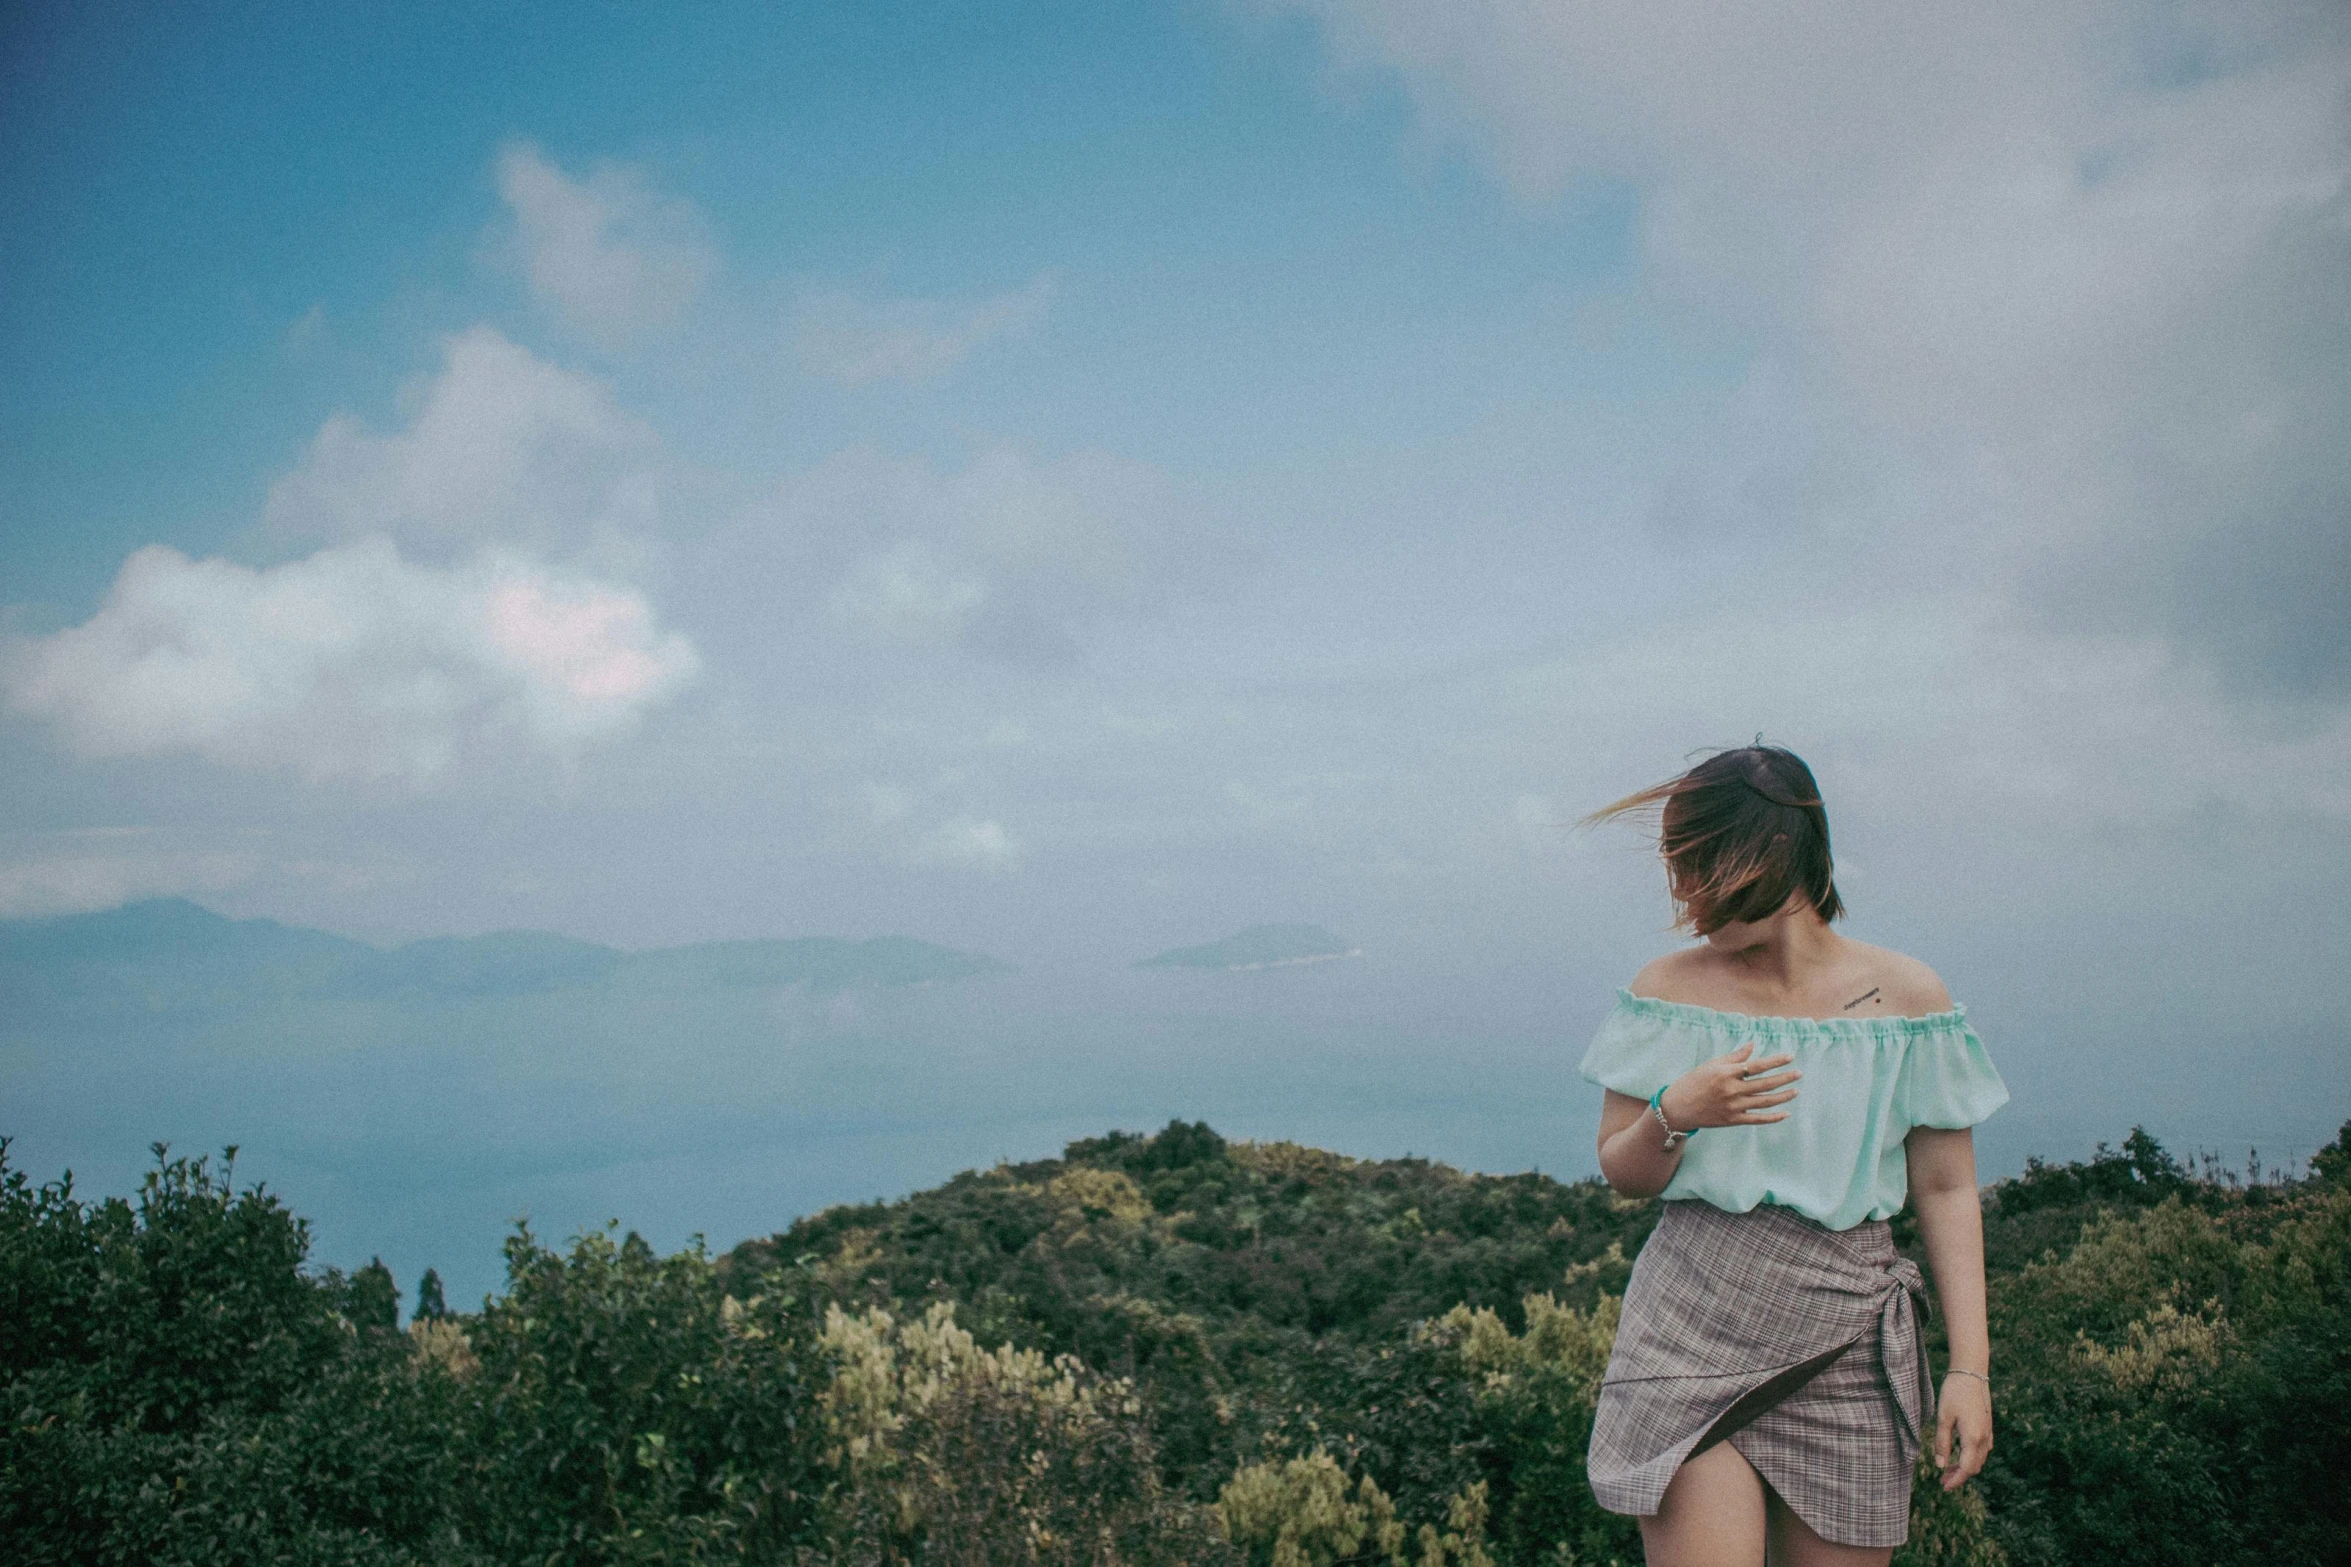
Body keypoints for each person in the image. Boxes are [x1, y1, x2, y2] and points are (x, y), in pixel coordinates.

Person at [1579, 745, 2004, 1565]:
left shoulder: (1910, 999)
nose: (1683, 895)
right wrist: (1676, 1112)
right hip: (1688, 1331)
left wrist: (1970, 1370)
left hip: (1845, 1342)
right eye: (1678, 867)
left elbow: (1947, 1188)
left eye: (1699, 868)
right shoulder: (1666, 992)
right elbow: (1623, 1174)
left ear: (1769, 859)